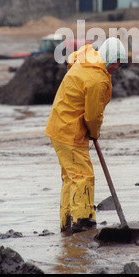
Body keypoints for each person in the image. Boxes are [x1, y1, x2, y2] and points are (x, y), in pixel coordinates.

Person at [45, 37, 127, 234]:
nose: (117, 66)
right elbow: (92, 115)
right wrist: (94, 132)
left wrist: (89, 131)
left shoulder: (87, 60)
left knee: (70, 177)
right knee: (83, 176)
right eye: (115, 60)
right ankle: (83, 224)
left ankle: (67, 224)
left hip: (59, 125)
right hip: (69, 130)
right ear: (106, 56)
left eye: (120, 62)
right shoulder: (96, 78)